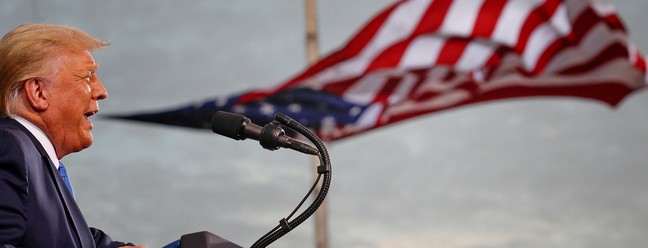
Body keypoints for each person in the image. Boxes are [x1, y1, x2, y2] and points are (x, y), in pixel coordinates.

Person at [0, 24, 145, 247]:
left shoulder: (33, 158)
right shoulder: (10, 147)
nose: (102, 91)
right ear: (39, 93)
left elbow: (65, 237)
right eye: (88, 77)